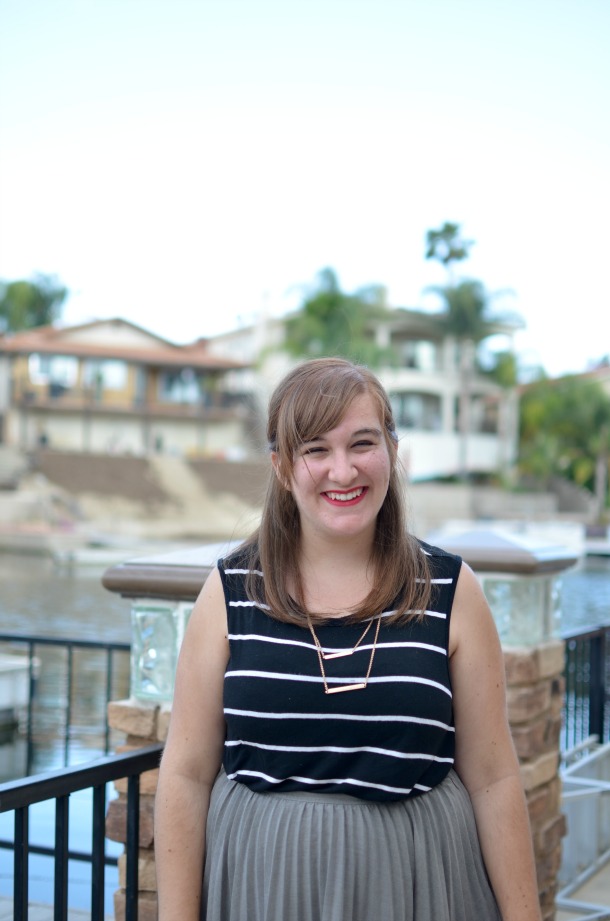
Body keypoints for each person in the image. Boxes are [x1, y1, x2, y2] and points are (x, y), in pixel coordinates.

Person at [154, 357, 542, 921]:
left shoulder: (452, 591)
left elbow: (494, 778)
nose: (343, 471)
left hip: (418, 886)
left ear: (392, 450)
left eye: (362, 443)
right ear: (282, 468)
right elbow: (186, 774)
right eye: (316, 450)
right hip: (264, 890)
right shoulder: (230, 592)